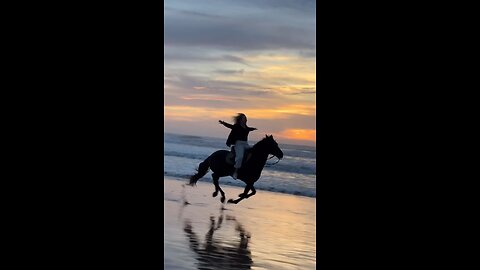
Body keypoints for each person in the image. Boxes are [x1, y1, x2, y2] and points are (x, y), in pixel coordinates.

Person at [219, 113, 257, 179]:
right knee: (240, 157)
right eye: (243, 118)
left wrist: (252, 129)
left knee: (253, 152)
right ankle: (235, 172)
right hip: (238, 144)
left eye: (245, 118)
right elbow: (230, 126)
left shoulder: (246, 127)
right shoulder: (237, 126)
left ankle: (247, 167)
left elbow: (248, 129)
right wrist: (223, 123)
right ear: (240, 119)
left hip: (245, 144)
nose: (244, 119)